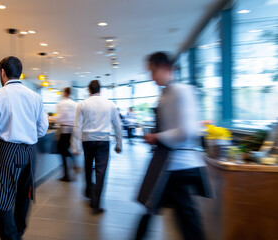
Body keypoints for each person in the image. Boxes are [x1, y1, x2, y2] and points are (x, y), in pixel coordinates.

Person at [135, 52, 214, 240]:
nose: (151, 76)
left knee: (181, 216)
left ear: (166, 68)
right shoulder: (167, 93)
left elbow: (185, 131)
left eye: (153, 71)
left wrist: (156, 137)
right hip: (169, 163)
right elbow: (183, 127)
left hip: (177, 165)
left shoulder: (180, 91)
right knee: (178, 215)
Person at [0, 56, 48, 240]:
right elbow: (42, 129)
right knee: (24, 194)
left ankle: (10, 237)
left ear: (2, 72)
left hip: (7, 151)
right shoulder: (35, 96)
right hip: (30, 152)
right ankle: (18, 232)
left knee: (3, 196)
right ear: (20, 73)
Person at [70, 80, 123, 214]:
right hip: (104, 141)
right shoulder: (110, 104)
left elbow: (77, 126)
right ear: (101, 89)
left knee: (88, 167)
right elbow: (118, 125)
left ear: (89, 90)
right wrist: (119, 144)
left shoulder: (82, 104)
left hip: (87, 140)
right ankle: (96, 204)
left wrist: (75, 147)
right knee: (101, 171)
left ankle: (88, 192)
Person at [55, 87, 79, 182]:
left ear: (65, 93)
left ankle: (66, 175)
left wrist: (53, 119)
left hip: (64, 130)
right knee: (68, 149)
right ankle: (73, 162)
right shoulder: (75, 104)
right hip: (73, 130)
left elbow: (60, 117)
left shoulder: (61, 103)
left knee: (62, 151)